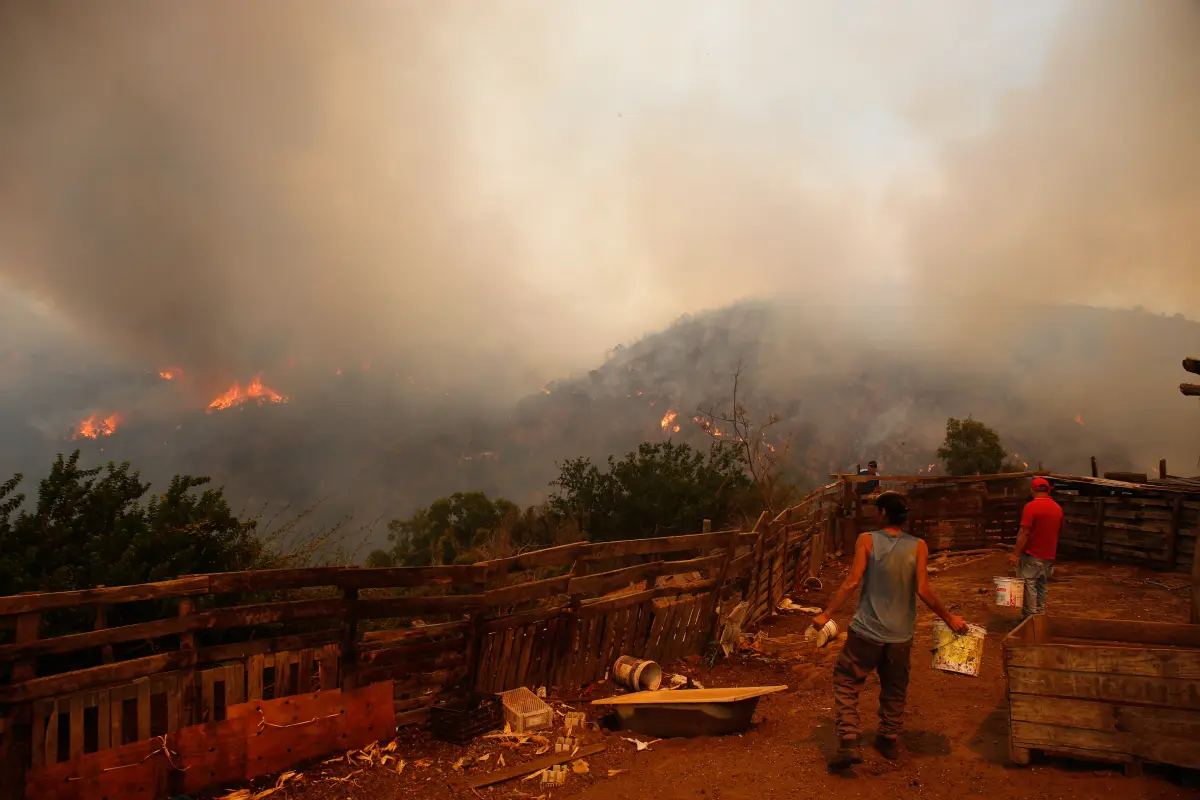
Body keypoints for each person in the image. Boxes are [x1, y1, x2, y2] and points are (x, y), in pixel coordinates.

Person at [812, 491, 969, 768]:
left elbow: (851, 582)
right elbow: (923, 589)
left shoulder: (867, 541)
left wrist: (827, 613)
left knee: (847, 680)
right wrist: (950, 618)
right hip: (900, 636)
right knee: (895, 688)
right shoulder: (919, 546)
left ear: (883, 513)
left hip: (866, 632)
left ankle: (849, 740)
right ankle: (889, 738)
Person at [1009, 476, 1063, 619]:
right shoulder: (1058, 509)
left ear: (1032, 490)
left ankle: (1030, 620)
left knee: (1029, 586)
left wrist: (1015, 553)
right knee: (1042, 586)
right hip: (1049, 555)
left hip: (1032, 554)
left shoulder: (1031, 507)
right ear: (1049, 490)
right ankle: (1040, 617)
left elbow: (1024, 532)